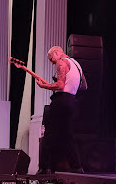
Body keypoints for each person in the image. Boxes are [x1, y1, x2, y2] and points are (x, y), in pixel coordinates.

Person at [36, 45, 87, 174]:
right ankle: (77, 167)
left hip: (61, 100)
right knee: (68, 135)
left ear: (56, 53)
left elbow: (60, 85)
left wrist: (44, 86)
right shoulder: (77, 64)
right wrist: (71, 85)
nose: (53, 62)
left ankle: (44, 167)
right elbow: (84, 86)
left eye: (51, 59)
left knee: (49, 134)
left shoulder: (61, 62)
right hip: (72, 101)